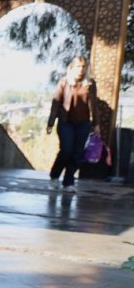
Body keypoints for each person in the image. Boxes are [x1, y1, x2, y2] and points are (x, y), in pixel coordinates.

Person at [47, 55, 100, 192]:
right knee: (66, 150)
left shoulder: (90, 84)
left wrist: (96, 124)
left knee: (77, 153)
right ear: (72, 67)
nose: (81, 69)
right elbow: (56, 103)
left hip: (83, 124)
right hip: (66, 123)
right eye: (78, 66)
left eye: (83, 67)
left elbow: (93, 105)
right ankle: (54, 176)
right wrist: (51, 123)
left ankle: (68, 182)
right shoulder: (64, 82)